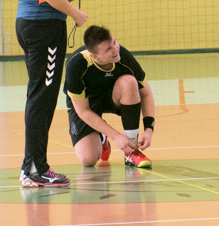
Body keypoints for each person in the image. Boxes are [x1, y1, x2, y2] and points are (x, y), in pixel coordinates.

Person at [11, 0, 88, 188]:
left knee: (37, 93)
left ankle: (30, 166)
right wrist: (74, 13)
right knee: (42, 97)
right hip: (44, 26)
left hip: (26, 21)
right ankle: (35, 169)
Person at [64, 25, 155, 169]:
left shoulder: (123, 56)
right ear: (94, 56)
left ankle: (132, 153)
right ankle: (102, 138)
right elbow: (83, 111)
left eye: (114, 42)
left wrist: (149, 129)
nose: (116, 49)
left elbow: (146, 93)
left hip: (113, 97)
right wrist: (116, 136)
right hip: (87, 105)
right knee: (88, 160)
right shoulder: (76, 66)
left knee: (129, 82)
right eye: (108, 49)